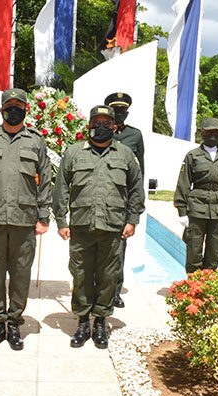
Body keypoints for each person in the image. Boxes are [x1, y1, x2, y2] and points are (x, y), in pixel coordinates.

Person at [53, 105, 145, 349]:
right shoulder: (74, 153)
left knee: (107, 276)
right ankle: (83, 322)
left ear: (114, 127)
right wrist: (61, 221)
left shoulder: (125, 155)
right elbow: (60, 187)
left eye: (106, 123)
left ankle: (101, 321)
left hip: (113, 227)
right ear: (89, 125)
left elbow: (136, 188)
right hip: (81, 226)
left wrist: (132, 219)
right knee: (81, 274)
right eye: (96, 122)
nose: (100, 127)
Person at [0, 88, 52, 351]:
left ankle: (14, 323)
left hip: (24, 220)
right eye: (9, 106)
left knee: (20, 274)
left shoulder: (36, 141)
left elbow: (46, 180)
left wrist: (43, 215)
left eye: (19, 106)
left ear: (25, 110)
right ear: (2, 109)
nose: (13, 110)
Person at [173, 118, 218, 272]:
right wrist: (182, 212)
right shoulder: (193, 155)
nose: (212, 135)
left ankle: (207, 289)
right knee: (193, 251)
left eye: (216, 132)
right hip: (197, 208)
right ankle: (193, 289)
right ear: (202, 133)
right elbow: (183, 183)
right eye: (209, 132)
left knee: (214, 251)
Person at [104, 92, 144, 309]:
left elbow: (140, 173)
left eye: (123, 111)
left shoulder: (135, 136)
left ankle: (115, 291)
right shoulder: (99, 132)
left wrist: (135, 208)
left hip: (122, 201)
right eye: (116, 111)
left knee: (119, 249)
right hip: (101, 197)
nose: (120, 114)